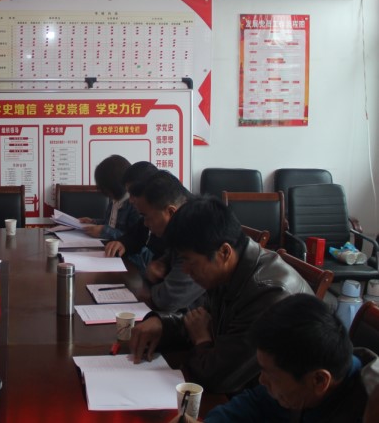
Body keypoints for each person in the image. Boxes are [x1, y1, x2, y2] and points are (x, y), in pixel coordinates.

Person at [130, 196, 313, 394]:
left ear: (224, 252)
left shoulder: (268, 295)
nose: (185, 271)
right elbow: (199, 319)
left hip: (271, 400)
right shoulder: (229, 269)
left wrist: (202, 340)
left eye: (190, 262)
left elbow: (218, 377)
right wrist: (163, 324)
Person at [168, 294, 379, 423]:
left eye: (271, 375)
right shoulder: (304, 377)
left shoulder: (369, 412)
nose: (262, 380)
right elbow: (256, 403)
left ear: (319, 380)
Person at [125, 171, 205, 311]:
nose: (145, 224)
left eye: (146, 217)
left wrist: (153, 283)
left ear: (171, 212)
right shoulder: (184, 224)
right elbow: (163, 265)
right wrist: (160, 264)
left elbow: (167, 300)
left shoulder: (198, 235)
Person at [79, 155, 140, 243]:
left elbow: (133, 239)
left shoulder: (134, 205)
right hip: (107, 244)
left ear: (116, 185)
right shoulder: (114, 200)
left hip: (122, 249)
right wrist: (93, 222)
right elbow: (110, 223)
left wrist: (104, 231)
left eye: (106, 188)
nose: (106, 193)